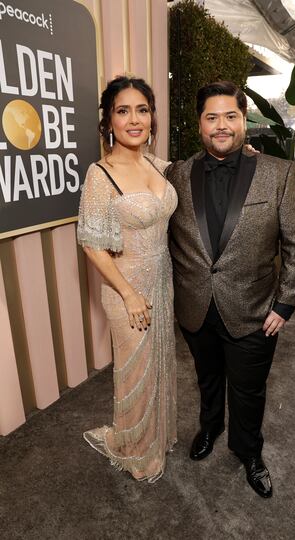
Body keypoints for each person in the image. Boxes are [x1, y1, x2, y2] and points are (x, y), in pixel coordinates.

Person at [165, 81, 295, 498]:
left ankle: (249, 451)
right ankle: (210, 428)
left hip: (254, 310)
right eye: (211, 117)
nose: (221, 125)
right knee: (208, 380)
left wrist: (284, 303)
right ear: (199, 123)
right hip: (195, 308)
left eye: (230, 116)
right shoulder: (176, 174)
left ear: (243, 119)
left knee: (249, 390)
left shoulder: (279, 174)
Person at [77, 76, 177, 482]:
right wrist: (129, 293)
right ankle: (136, 450)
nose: (134, 119)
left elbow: (197, 178)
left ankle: (155, 438)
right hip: (127, 290)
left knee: (159, 364)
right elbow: (91, 244)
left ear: (152, 117)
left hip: (163, 281)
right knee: (135, 372)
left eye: (142, 109)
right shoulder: (100, 174)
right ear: (108, 121)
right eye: (123, 110)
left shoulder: (158, 164)